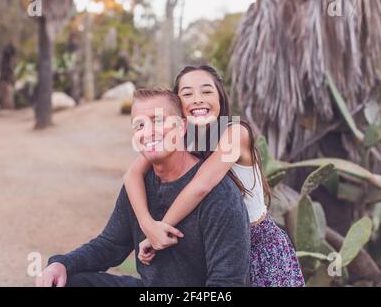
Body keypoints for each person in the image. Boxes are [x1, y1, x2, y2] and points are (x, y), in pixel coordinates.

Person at [35, 88, 251, 287]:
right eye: (140, 125)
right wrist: (61, 264)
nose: (148, 132)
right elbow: (110, 245)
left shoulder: (220, 195)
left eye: (158, 121)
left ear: (182, 127)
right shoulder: (140, 184)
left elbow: (227, 283)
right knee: (68, 282)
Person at [124, 66, 305, 287]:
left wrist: (161, 228)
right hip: (216, 251)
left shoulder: (236, 133)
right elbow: (133, 174)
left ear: (220, 96)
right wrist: (148, 225)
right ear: (177, 105)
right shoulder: (183, 137)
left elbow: (201, 185)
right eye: (187, 94)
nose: (198, 99)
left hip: (259, 248)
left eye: (207, 91)